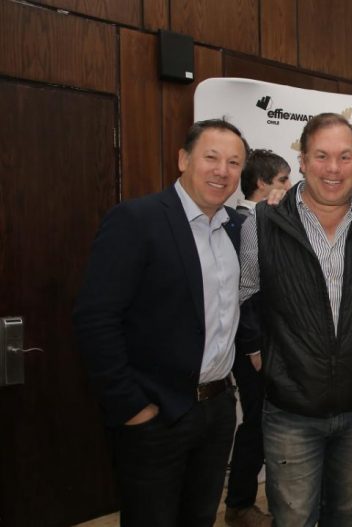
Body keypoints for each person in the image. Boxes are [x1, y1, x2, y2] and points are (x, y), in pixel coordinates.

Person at [73, 119, 249, 526]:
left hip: (217, 410)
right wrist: (132, 407)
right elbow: (95, 318)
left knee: (200, 518)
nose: (222, 171)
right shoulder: (137, 220)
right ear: (184, 159)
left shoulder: (237, 229)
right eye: (211, 157)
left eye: (234, 162)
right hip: (156, 415)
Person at [238, 112, 352, 526]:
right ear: (303, 161)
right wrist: (258, 352)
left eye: (345, 156)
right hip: (290, 408)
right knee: (293, 518)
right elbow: (244, 295)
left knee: (343, 513)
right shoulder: (263, 221)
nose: (333, 168)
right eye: (321, 156)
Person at [226, 149, 291, 527]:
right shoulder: (242, 223)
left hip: (270, 341)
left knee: (267, 421)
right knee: (258, 423)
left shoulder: (264, 219)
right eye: (282, 179)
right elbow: (244, 291)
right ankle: (239, 504)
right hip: (254, 345)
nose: (289, 186)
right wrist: (252, 346)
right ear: (263, 183)